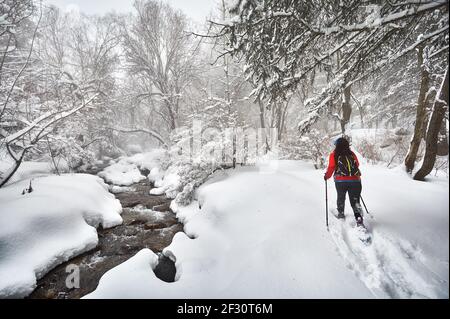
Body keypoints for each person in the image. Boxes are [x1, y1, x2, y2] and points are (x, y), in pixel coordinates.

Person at [324, 137, 364, 227]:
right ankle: (358, 217)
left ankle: (341, 214)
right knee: (355, 200)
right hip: (355, 180)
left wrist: (326, 176)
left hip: (340, 180)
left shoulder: (334, 154)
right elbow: (357, 164)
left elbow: (331, 167)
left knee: (341, 197)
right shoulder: (352, 154)